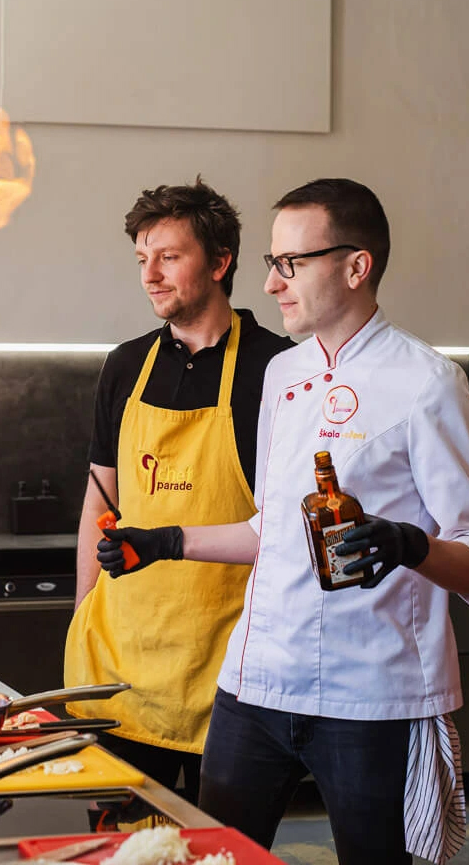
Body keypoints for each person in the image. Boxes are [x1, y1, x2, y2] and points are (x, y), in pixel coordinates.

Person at [98, 178, 469, 864]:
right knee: (215, 857)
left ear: (355, 266)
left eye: (290, 264)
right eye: (272, 263)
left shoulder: (426, 383)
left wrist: (409, 544)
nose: (270, 284)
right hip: (257, 679)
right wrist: (164, 542)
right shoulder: (284, 374)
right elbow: (270, 529)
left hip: (370, 696)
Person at [63, 177, 292, 802]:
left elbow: (287, 525)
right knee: (128, 847)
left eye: (169, 256)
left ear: (220, 263)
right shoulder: (124, 366)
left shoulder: (279, 370)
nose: (151, 275)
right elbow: (100, 500)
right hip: (123, 662)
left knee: (223, 846)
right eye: (143, 259)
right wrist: (85, 609)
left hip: (233, 665)